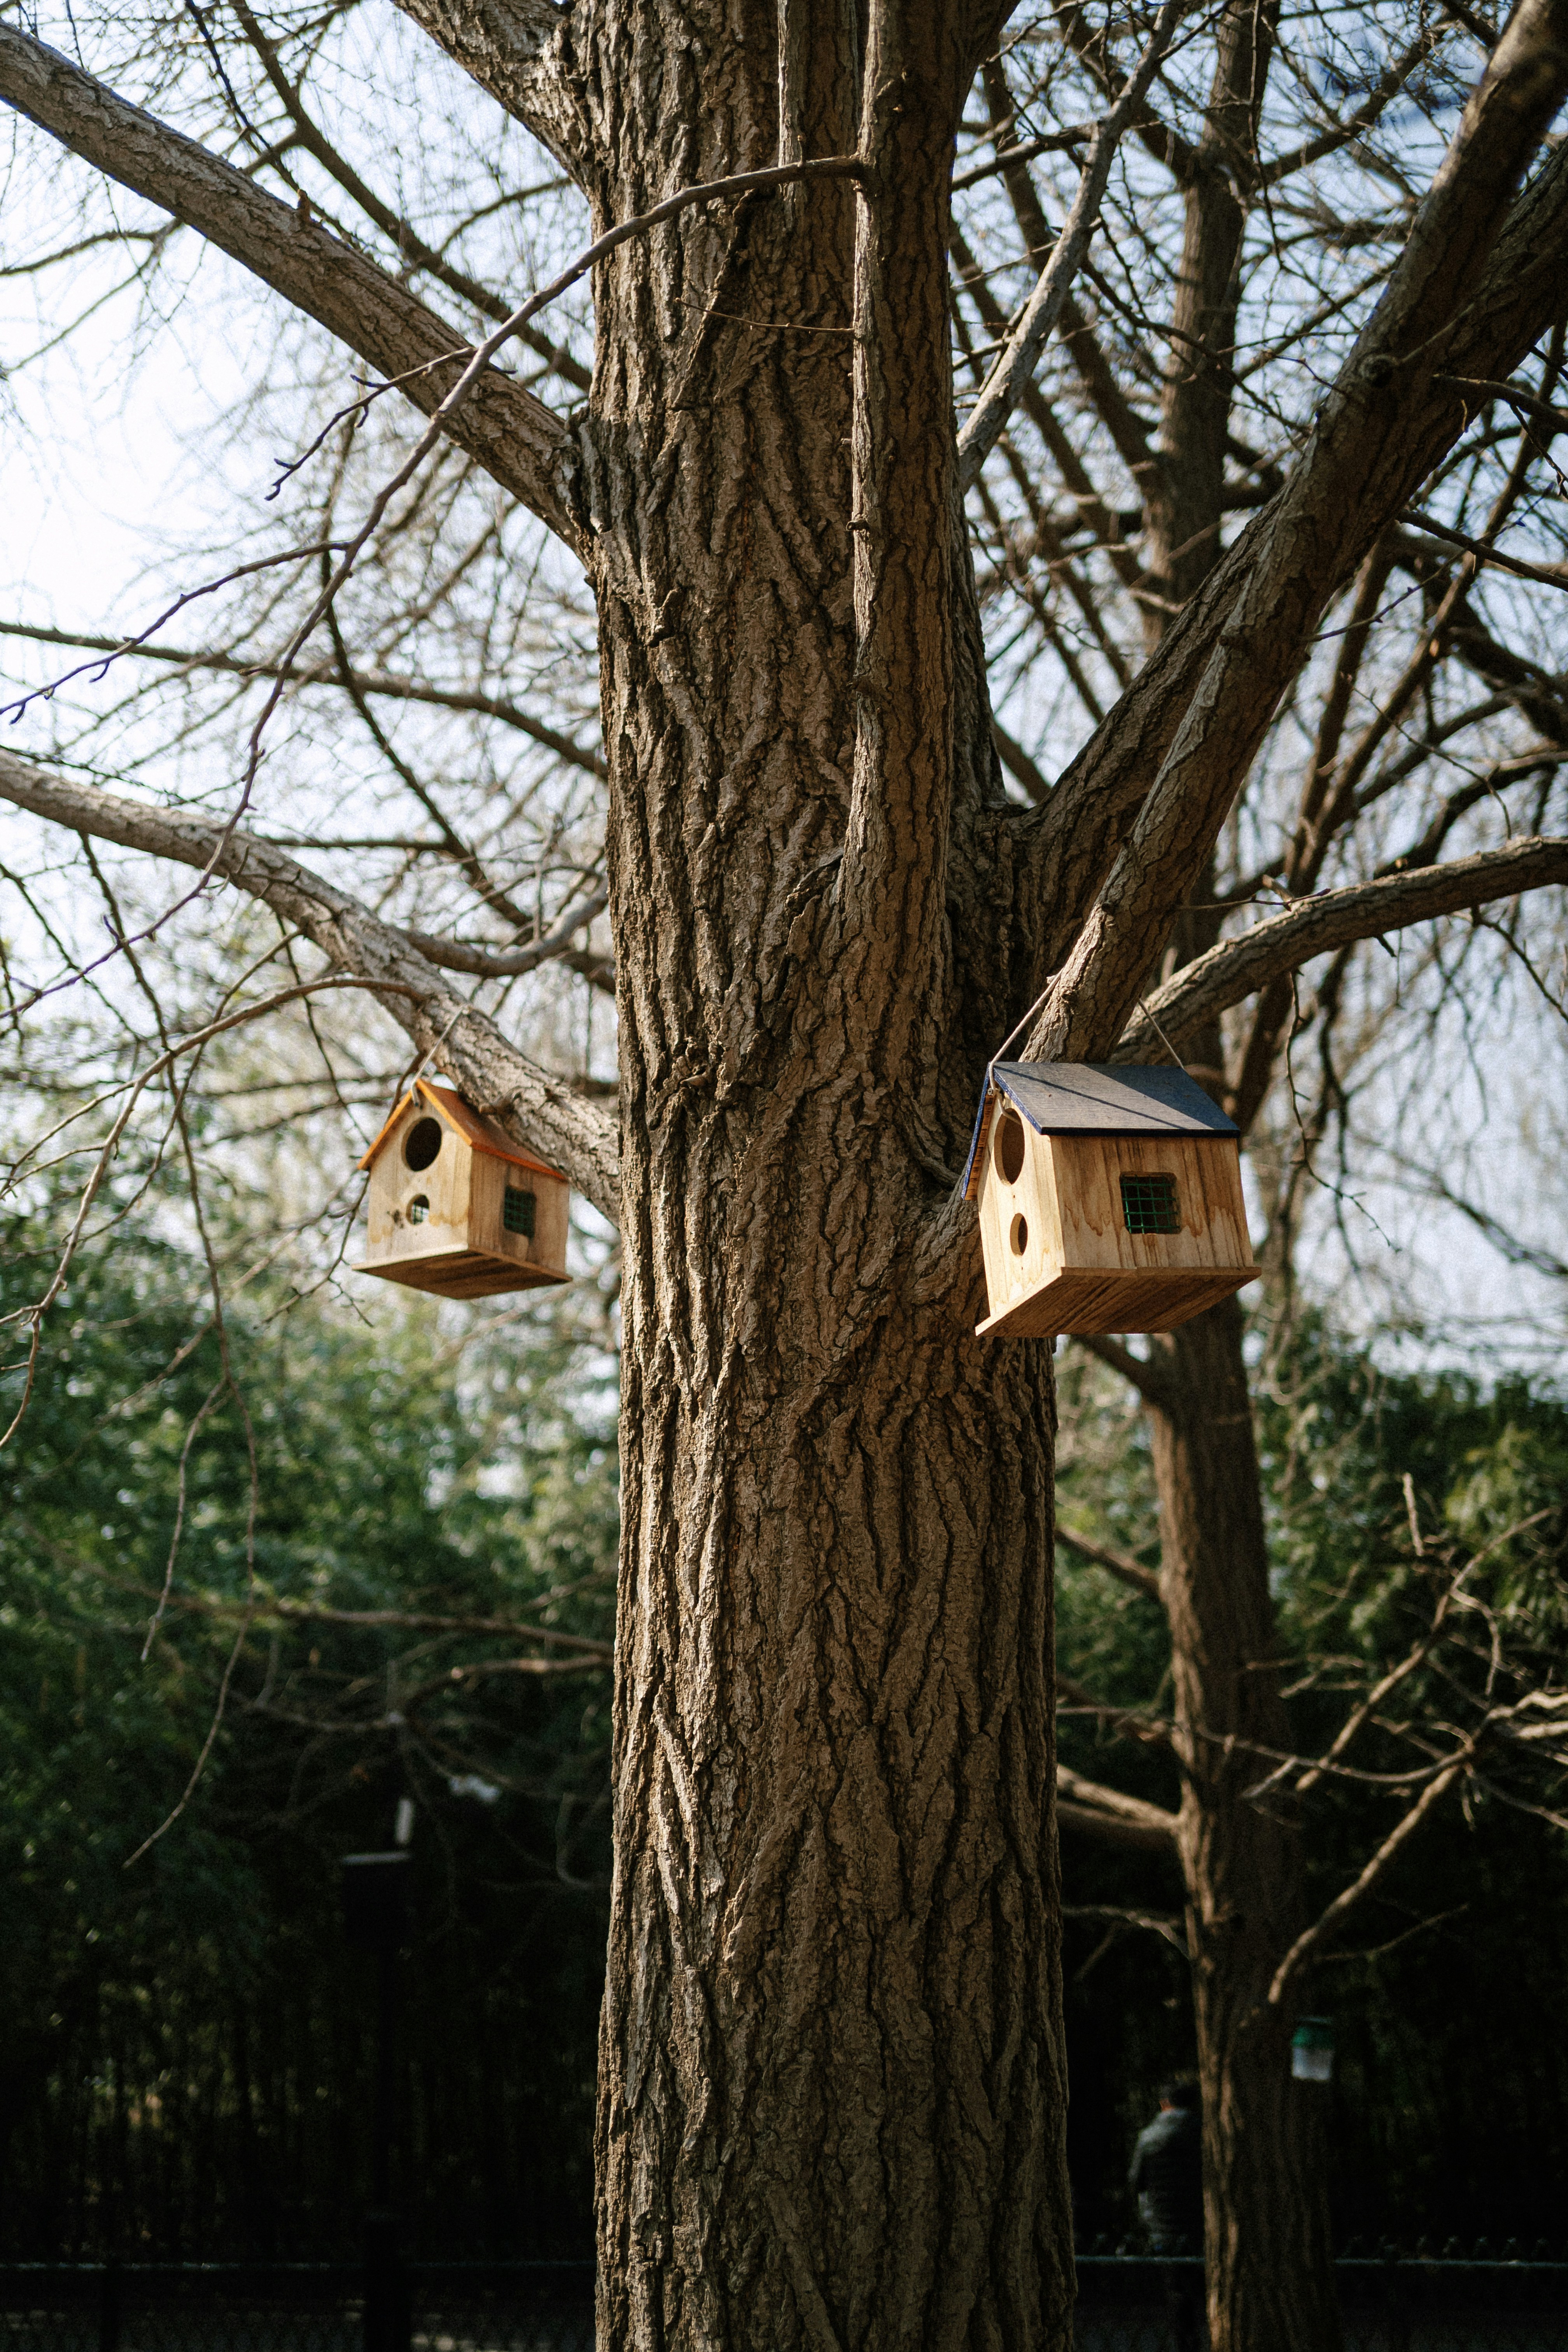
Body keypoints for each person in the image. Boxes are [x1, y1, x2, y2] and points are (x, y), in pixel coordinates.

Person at [1130, 2080, 1204, 2350]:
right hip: (1200, 2220)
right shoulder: (1202, 2132)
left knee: (1176, 2287)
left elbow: (1136, 2180)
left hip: (1163, 2223)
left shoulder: (1148, 2136)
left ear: (1164, 2104)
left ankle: (1184, 2341)